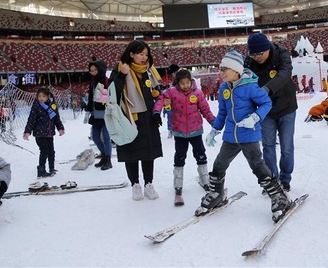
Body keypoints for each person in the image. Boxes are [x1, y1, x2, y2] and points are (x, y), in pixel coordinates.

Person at [197, 50, 292, 223]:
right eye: (221, 69)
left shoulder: (250, 86)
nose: (222, 72)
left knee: (258, 167)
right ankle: (217, 193)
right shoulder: (224, 88)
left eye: (226, 68)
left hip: (248, 135)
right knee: (219, 164)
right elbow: (222, 113)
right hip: (230, 137)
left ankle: (279, 197)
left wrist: (255, 118)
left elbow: (266, 103)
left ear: (237, 70)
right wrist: (214, 130)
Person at [109, 40, 163, 200]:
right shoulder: (121, 68)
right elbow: (112, 93)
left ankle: (148, 184)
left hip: (148, 117)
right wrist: (121, 75)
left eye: (146, 54)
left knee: (148, 153)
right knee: (131, 154)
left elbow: (156, 91)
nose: (144, 57)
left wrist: (159, 106)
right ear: (131, 54)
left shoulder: (149, 71)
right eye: (141, 54)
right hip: (129, 117)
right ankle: (135, 185)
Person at [153, 69, 216, 206]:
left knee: (200, 154)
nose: (186, 86)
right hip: (180, 132)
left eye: (187, 82)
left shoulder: (197, 93)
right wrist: (157, 111)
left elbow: (205, 109)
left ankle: (204, 178)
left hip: (196, 131)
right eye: (182, 83)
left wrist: (214, 122)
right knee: (180, 156)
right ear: (177, 83)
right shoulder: (172, 92)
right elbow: (160, 99)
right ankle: (178, 182)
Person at [244, 33, 297, 192]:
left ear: (267, 48)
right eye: (253, 54)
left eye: (259, 53)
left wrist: (267, 88)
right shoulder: (249, 62)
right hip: (265, 111)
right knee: (267, 146)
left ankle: (285, 178)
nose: (256, 57)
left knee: (287, 147)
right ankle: (272, 180)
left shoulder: (281, 54)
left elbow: (285, 73)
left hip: (286, 107)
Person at [23, 87, 65, 178]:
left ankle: (52, 168)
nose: (41, 98)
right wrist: (27, 131)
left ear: (48, 96)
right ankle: (41, 170)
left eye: (43, 96)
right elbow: (31, 120)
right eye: (39, 96)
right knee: (44, 150)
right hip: (40, 133)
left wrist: (60, 128)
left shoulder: (52, 106)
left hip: (49, 133)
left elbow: (56, 118)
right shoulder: (36, 106)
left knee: (51, 151)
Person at [86, 60, 113, 171]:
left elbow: (112, 96)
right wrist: (88, 111)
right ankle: (103, 155)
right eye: (91, 71)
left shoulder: (107, 81)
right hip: (95, 113)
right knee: (95, 136)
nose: (93, 72)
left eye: (95, 70)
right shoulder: (92, 82)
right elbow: (91, 98)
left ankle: (108, 159)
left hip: (106, 113)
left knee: (106, 137)